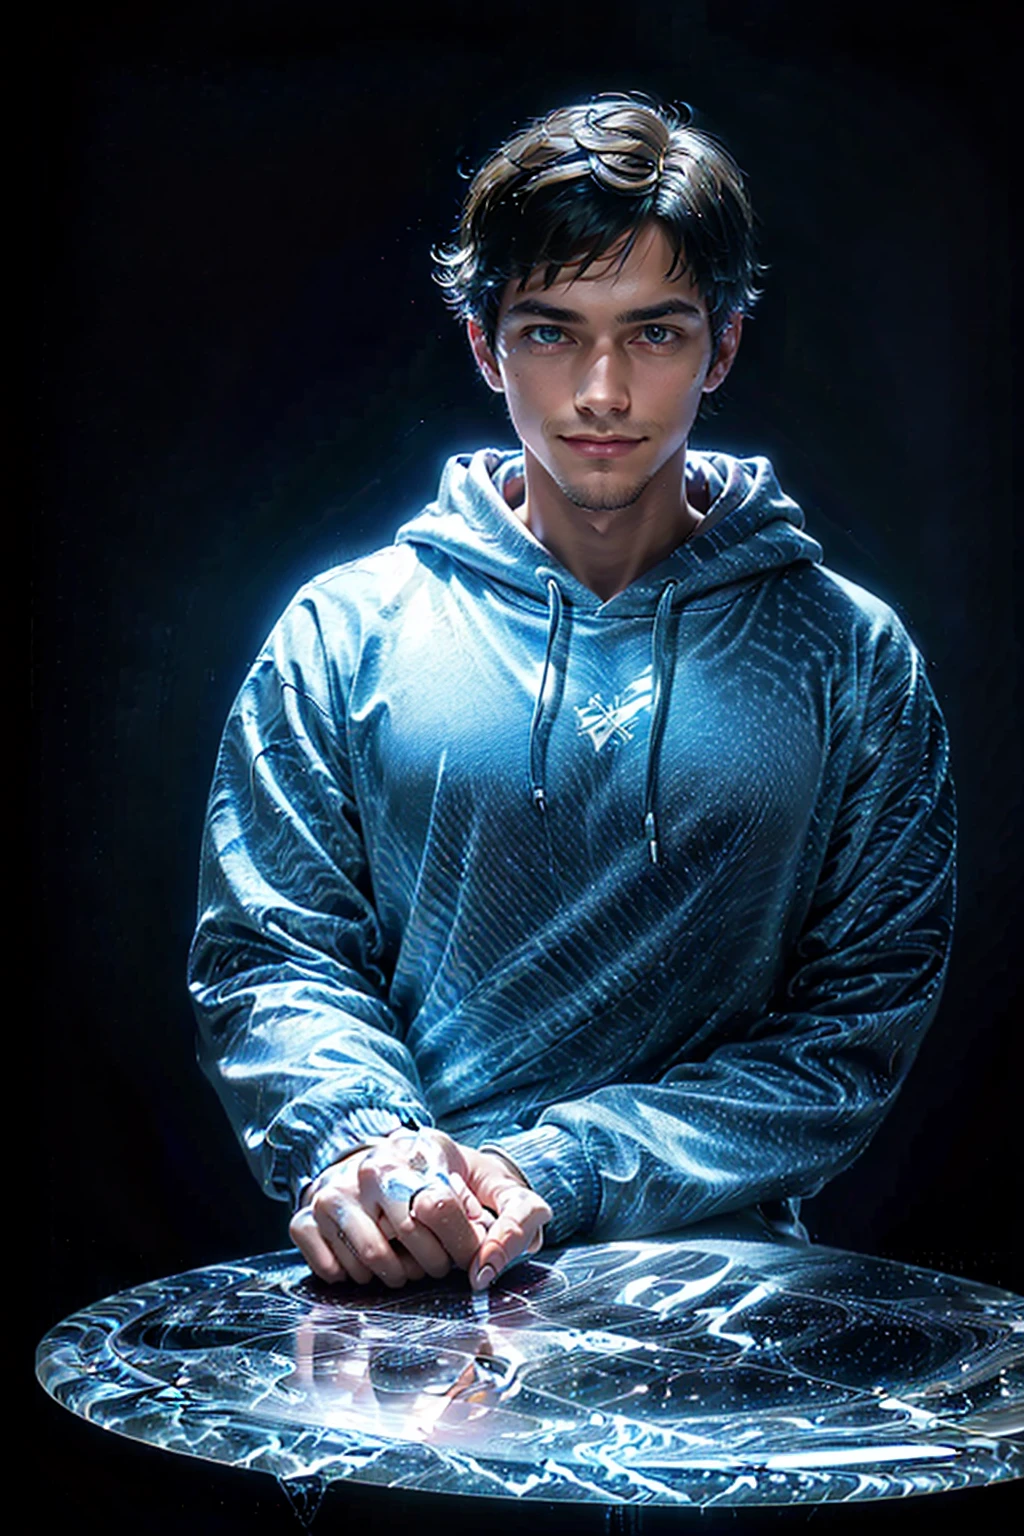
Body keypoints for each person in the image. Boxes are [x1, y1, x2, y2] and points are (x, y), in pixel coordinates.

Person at [187, 93, 956, 1296]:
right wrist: (374, 1153)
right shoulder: (344, 634)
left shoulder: (847, 656)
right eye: (552, 332)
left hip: (725, 1310)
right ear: (487, 345)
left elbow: (848, 1037)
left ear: (724, 345)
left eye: (654, 332)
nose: (602, 389)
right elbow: (271, 957)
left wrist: (565, 1166)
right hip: (408, 1282)